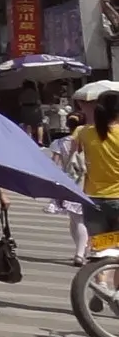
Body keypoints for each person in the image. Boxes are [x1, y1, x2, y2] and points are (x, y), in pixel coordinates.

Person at [68, 88, 119, 266]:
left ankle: (101, 286)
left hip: (93, 199)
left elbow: (73, 154)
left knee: (101, 249)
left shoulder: (84, 132)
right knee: (117, 250)